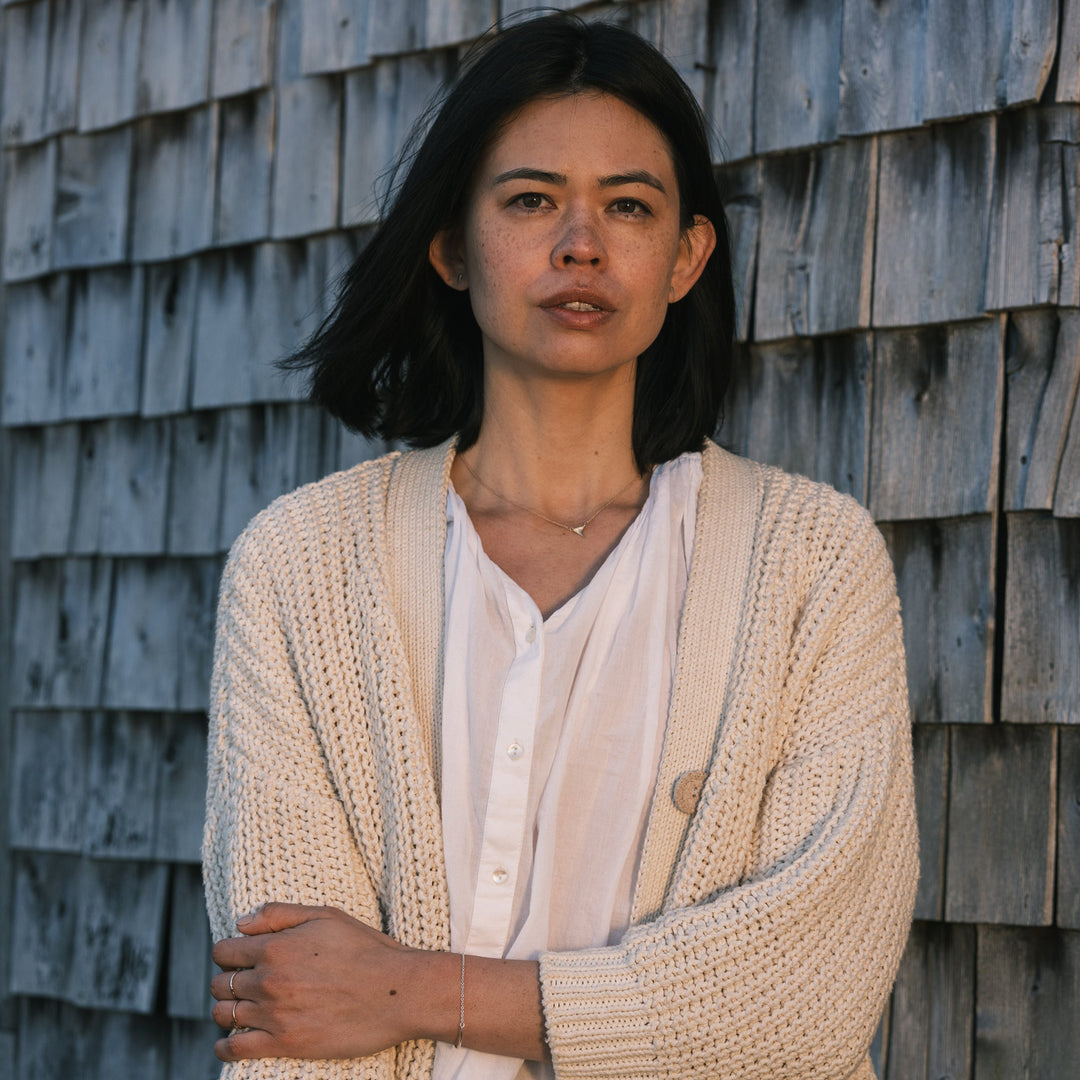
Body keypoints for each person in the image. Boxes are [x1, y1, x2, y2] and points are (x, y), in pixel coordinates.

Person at [203, 13, 918, 1080]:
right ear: (451, 244)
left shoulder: (814, 564)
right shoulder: (301, 566)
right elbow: (292, 1006)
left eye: (628, 207)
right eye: (531, 200)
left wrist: (415, 989)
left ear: (684, 259)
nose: (580, 244)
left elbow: (805, 998)